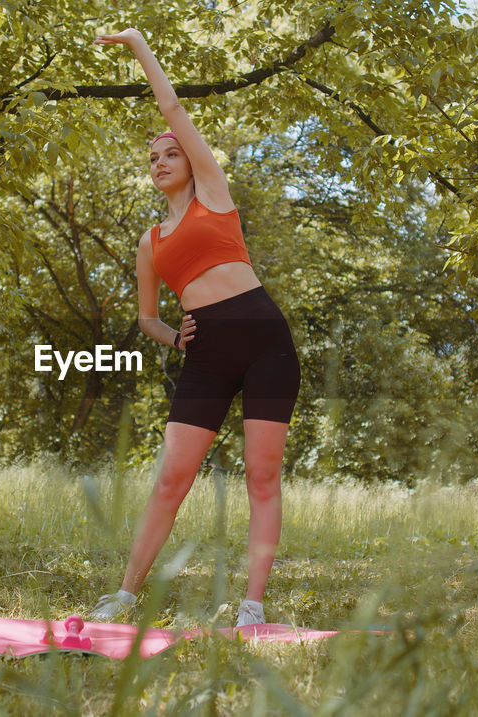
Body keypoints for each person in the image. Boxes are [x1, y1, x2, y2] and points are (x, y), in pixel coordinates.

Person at [90, 28, 301, 628]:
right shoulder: (150, 243)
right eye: (152, 158)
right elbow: (148, 317)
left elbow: (172, 109)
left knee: (262, 477)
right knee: (171, 479)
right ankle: (125, 595)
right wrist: (172, 338)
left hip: (264, 339)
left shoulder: (214, 193)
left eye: (170, 152)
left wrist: (136, 45)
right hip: (206, 351)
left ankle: (253, 607)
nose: (160, 162)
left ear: (190, 159)